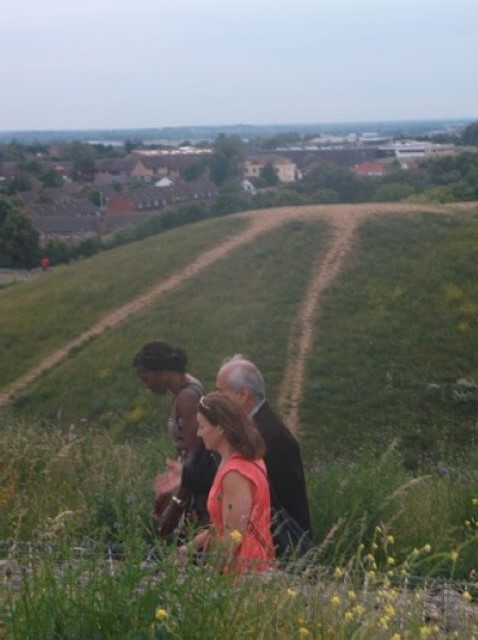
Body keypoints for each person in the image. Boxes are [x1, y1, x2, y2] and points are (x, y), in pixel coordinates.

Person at [215, 355, 312, 554]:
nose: (217, 400)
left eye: (221, 392)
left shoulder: (272, 437)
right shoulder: (256, 428)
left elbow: (282, 504)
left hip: (277, 549)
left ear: (242, 395)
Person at [179, 392, 274, 575]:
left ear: (221, 428)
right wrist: (188, 548)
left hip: (243, 572)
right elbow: (222, 526)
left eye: (202, 426)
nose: (199, 433)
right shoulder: (242, 461)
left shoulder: (235, 474)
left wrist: (210, 577)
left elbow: (233, 537)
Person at [132, 341, 217, 537]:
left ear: (161, 371)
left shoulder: (188, 397)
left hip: (196, 489)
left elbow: (194, 455)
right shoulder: (183, 391)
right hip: (190, 484)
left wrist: (176, 503)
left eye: (146, 379)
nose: (146, 386)